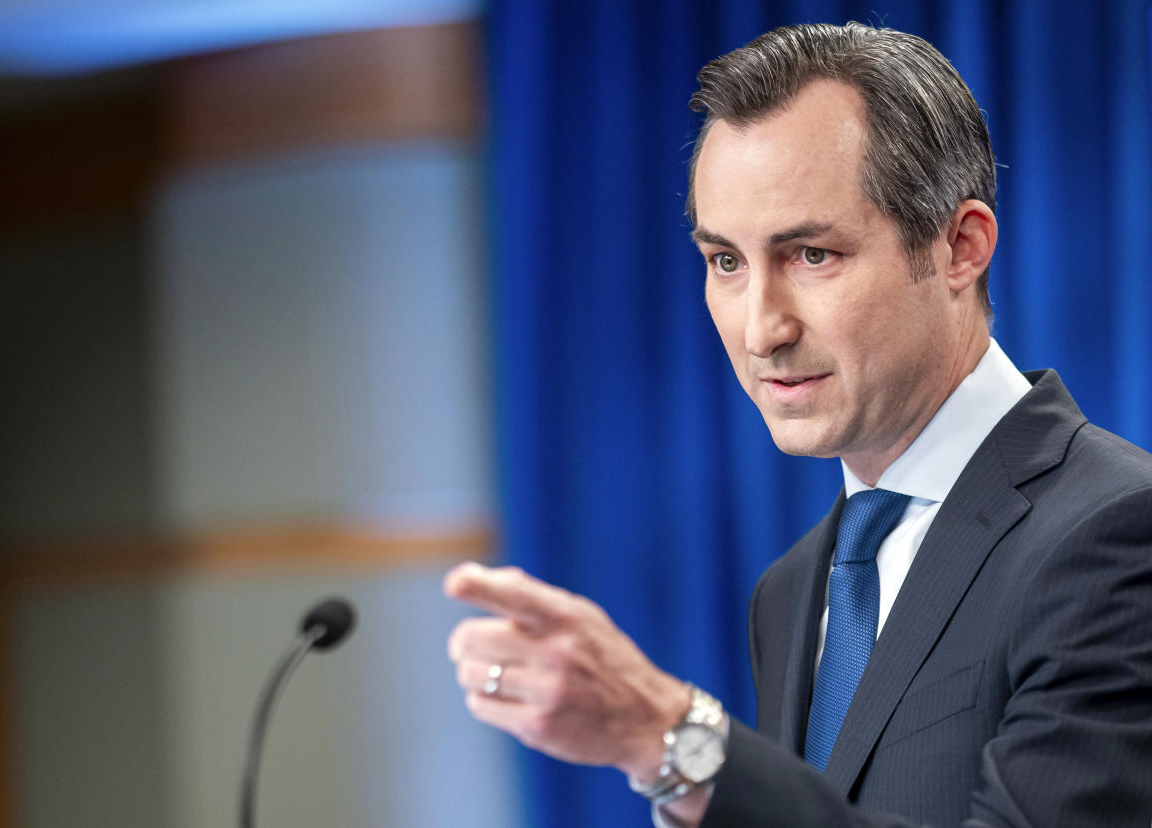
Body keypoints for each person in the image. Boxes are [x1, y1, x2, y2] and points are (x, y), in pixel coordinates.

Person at [445, 21, 1152, 827]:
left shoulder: (1118, 535)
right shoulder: (791, 587)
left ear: (961, 247)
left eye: (811, 255)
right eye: (726, 263)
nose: (760, 330)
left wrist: (674, 742)